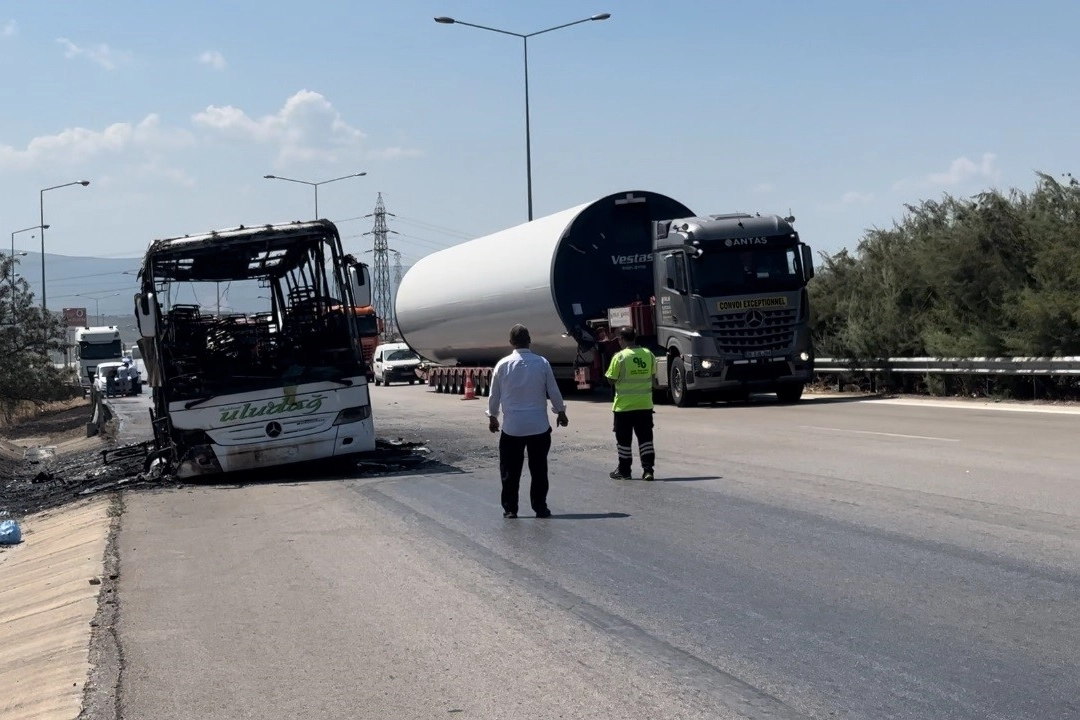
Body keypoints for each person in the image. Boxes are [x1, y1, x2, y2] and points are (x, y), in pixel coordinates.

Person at [487, 324, 569, 518]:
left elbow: (494, 395)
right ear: (529, 340)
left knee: (510, 471)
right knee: (539, 469)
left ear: (511, 343)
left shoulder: (502, 365)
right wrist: (561, 412)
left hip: (512, 427)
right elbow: (553, 391)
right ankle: (540, 507)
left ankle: (510, 509)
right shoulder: (542, 363)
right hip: (538, 426)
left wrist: (492, 417)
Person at [604, 326, 657, 481]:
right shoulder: (649, 355)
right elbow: (652, 379)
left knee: (624, 441)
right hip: (645, 406)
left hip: (624, 407)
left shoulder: (619, 357)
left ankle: (625, 471)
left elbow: (611, 379)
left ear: (621, 339)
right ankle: (648, 470)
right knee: (646, 440)